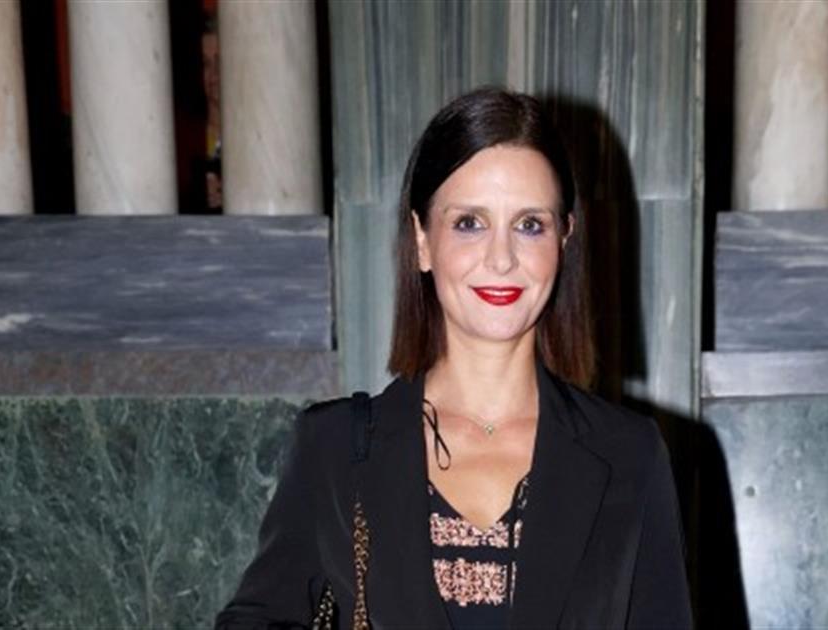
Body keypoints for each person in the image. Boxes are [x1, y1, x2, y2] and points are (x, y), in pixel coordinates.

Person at [215, 88, 692, 629]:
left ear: (564, 239)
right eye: (470, 222)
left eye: (529, 224)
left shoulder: (628, 455)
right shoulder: (335, 448)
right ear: (422, 239)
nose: (501, 257)